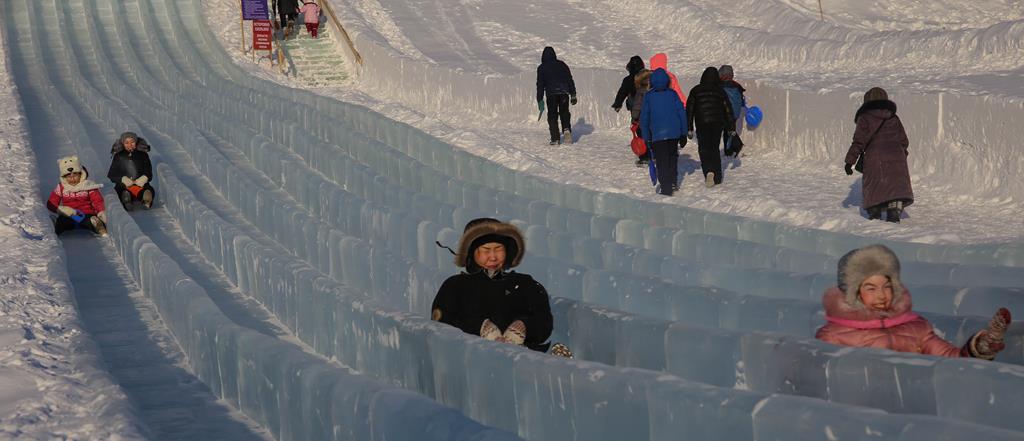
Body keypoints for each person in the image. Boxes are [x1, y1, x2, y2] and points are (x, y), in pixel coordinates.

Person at [816, 244, 1011, 360]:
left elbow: (951, 362)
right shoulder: (834, 336)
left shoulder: (916, 328)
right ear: (853, 293)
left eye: (887, 286)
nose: (882, 295)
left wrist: (979, 347)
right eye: (871, 288)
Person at [431, 218, 554, 352]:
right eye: (486, 250)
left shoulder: (525, 284)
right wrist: (479, 327)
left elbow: (544, 320)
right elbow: (441, 321)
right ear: (472, 251)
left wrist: (524, 326)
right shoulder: (455, 286)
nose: (493, 257)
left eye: (498, 249)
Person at [843, 87, 913, 223]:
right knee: (894, 184)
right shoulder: (894, 117)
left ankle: (875, 211)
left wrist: (849, 162)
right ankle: (894, 210)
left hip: (875, 157)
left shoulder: (865, 118)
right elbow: (904, 140)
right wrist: (901, 155)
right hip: (896, 156)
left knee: (874, 183)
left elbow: (859, 141)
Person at [640, 69, 687, 196]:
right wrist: (684, 132)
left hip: (657, 134)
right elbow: (681, 113)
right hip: (674, 133)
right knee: (672, 157)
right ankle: (672, 181)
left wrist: (646, 137)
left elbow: (644, 118)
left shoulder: (649, 96)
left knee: (661, 161)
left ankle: (666, 189)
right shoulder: (672, 94)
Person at [686, 67, 735, 188]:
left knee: (704, 148)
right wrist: (731, 127)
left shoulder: (695, 91)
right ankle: (717, 176)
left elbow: (689, 110)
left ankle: (708, 171)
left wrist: (689, 127)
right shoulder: (720, 91)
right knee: (714, 147)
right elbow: (728, 110)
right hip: (717, 123)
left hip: (702, 123)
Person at [46, 156, 107, 236]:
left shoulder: (87, 185)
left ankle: (97, 226)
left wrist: (101, 212)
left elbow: (97, 200)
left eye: (75, 175)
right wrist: (61, 209)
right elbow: (51, 203)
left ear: (80, 173)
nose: (72, 179)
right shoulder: (61, 187)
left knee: (88, 221)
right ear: (64, 177)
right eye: (69, 177)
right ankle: (55, 227)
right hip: (69, 215)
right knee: (62, 221)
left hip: (86, 214)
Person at [536, 46, 577, 145]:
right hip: (564, 93)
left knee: (552, 115)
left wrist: (540, 99)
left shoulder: (542, 68)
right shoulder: (562, 64)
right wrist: (573, 94)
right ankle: (566, 129)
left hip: (551, 94)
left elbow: (540, 84)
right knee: (564, 112)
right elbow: (569, 79)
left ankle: (555, 138)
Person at [107, 132, 154, 211]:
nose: (130, 145)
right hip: (124, 185)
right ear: (123, 144)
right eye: (127, 143)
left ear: (136, 142)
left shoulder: (143, 155)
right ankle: (126, 199)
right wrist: (123, 179)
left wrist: (144, 178)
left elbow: (148, 172)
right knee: (123, 190)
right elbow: (112, 174)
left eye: (132, 142)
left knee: (147, 189)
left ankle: (146, 198)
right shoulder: (119, 156)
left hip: (140, 184)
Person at [719, 65, 747, 158]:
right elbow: (742, 101)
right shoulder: (737, 86)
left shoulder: (719, 86)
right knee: (730, 129)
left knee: (727, 131)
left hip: (724, 112)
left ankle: (731, 149)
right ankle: (731, 148)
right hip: (735, 112)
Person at [630, 68, 652, 167]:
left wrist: (634, 118)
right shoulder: (654, 91)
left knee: (642, 138)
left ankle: (644, 157)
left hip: (642, 121)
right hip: (653, 120)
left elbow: (637, 106)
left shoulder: (641, 92)